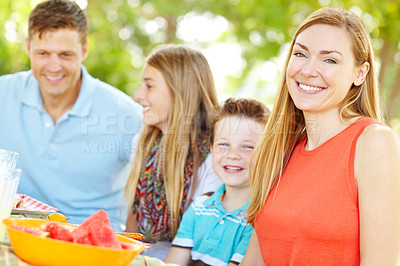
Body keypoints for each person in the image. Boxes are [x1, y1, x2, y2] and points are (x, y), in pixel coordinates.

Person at [240, 7, 400, 265]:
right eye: (301, 54)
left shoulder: (374, 142)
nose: (308, 70)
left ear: (360, 73)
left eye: (330, 60)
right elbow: (256, 260)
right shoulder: (276, 149)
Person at [0, 0, 142, 231]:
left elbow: (159, 185)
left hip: (91, 246)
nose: (54, 66)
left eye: (65, 55)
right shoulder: (3, 94)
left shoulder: (126, 114)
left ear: (84, 49)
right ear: (28, 47)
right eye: (43, 53)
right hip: (16, 236)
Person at [124, 44, 223, 259]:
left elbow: (205, 245)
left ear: (180, 91)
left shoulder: (216, 157)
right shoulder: (143, 142)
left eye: (149, 86)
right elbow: (132, 226)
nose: (138, 95)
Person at [164, 98, 270, 266]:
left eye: (247, 147)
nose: (232, 154)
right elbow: (173, 263)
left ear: (267, 154)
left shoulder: (260, 219)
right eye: (224, 144)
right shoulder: (200, 206)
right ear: (211, 148)